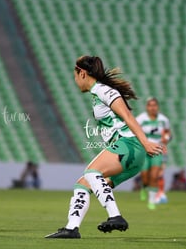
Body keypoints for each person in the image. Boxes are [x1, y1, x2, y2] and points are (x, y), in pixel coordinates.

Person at [45, 55, 162, 239]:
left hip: (129, 145)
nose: (75, 81)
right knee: (82, 184)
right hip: (129, 154)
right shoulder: (97, 92)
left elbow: (128, 117)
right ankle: (71, 228)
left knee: (92, 172)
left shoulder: (103, 90)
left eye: (74, 76)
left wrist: (146, 142)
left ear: (82, 73)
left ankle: (115, 216)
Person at [136, 97, 171, 209]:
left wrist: (166, 138)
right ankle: (144, 186)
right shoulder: (141, 119)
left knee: (154, 175)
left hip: (157, 150)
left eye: (154, 105)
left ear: (158, 107)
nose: (152, 108)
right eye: (150, 105)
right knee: (145, 176)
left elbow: (167, 133)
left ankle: (151, 201)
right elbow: (134, 130)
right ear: (147, 107)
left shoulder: (163, 120)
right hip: (144, 150)